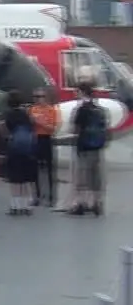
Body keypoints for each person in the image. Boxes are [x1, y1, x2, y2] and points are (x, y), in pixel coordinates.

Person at [70, 80, 108, 216]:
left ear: (81, 92)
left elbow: (75, 129)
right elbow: (105, 128)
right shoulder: (100, 110)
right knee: (95, 176)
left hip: (84, 147)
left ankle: (81, 204)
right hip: (97, 146)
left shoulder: (81, 110)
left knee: (82, 176)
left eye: (77, 92)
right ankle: (96, 203)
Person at [1, 90, 37, 216]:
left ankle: (15, 205)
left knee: (15, 179)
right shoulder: (27, 114)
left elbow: (5, 131)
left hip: (14, 147)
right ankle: (26, 205)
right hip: (27, 148)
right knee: (26, 178)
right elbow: (33, 127)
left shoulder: (8, 114)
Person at [28, 87, 61, 208]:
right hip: (35, 139)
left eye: (40, 97)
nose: (37, 100)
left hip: (46, 138)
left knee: (49, 169)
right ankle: (36, 196)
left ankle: (51, 197)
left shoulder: (51, 110)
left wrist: (40, 123)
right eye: (35, 97)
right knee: (34, 169)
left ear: (45, 97)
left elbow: (53, 128)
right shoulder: (32, 110)